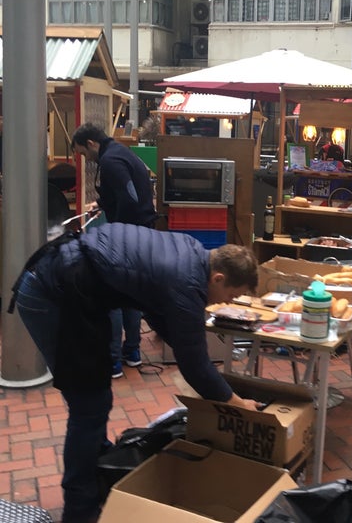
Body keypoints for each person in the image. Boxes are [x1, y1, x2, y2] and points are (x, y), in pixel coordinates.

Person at [10, 223, 261, 523]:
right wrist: (236, 404)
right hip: (50, 294)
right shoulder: (186, 282)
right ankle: (80, 509)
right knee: (88, 405)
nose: (227, 304)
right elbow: (194, 366)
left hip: (77, 289)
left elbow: (161, 314)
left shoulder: (194, 254)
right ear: (218, 277)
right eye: (231, 295)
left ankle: (100, 471)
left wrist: (193, 351)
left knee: (96, 395)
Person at [71, 123, 157, 378]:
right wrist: (101, 204)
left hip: (128, 236)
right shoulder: (120, 152)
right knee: (129, 293)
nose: (86, 159)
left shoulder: (110, 161)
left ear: (91, 143)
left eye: (84, 153)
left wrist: (115, 232)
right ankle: (132, 352)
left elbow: (129, 197)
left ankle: (113, 362)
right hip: (141, 232)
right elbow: (127, 192)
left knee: (112, 296)